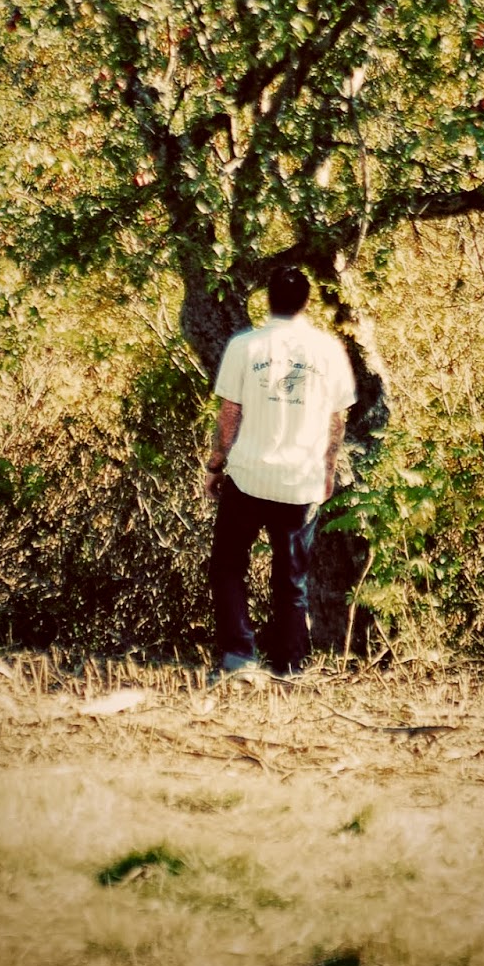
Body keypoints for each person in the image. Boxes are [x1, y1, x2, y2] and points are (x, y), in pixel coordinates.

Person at [204, 265, 357, 679]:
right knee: (291, 578)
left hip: (249, 475)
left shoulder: (245, 346)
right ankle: (290, 665)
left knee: (227, 567)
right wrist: (327, 471)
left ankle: (239, 657)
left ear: (267, 298)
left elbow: (230, 413)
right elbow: (337, 419)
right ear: (307, 301)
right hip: (300, 480)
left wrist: (216, 464)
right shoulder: (328, 351)